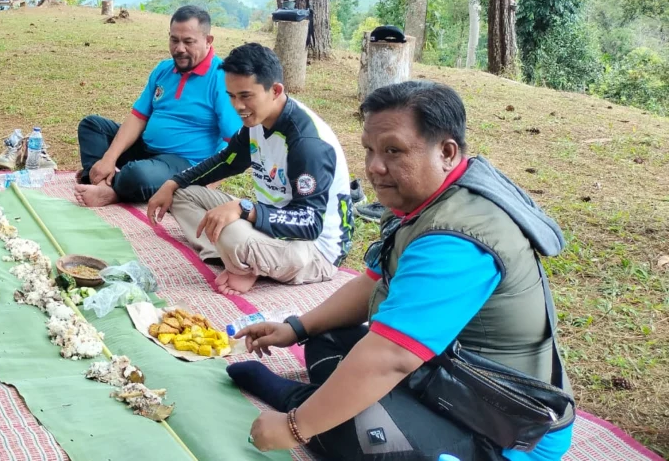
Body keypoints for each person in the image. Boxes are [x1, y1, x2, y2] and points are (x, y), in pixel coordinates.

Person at [226, 81, 574, 460]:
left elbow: (391, 356)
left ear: (446, 152)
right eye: (370, 150)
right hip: (446, 372)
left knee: (358, 430)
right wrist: (295, 328)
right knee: (326, 338)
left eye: (393, 150)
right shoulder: (425, 198)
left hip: (505, 424)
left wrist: (296, 426)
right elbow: (372, 284)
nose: (375, 167)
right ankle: (324, 404)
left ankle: (298, 401)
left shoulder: (457, 239)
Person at [147, 43, 352, 293]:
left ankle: (240, 260)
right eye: (231, 96)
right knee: (184, 195)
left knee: (232, 232)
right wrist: (174, 182)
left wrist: (246, 210)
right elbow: (227, 160)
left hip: (313, 250)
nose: (238, 106)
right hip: (271, 226)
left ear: (275, 90)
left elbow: (309, 223)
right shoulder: (258, 119)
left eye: (245, 96)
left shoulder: (307, 144)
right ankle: (235, 258)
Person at [74, 6, 243, 207]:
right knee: (92, 125)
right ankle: (100, 181)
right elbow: (138, 117)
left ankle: (112, 189)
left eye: (188, 41)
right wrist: (109, 158)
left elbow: (232, 142)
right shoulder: (164, 69)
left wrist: (208, 184)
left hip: (184, 162)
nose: (179, 48)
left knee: (137, 175)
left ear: (208, 41)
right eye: (174, 40)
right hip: (146, 148)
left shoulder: (222, 79)